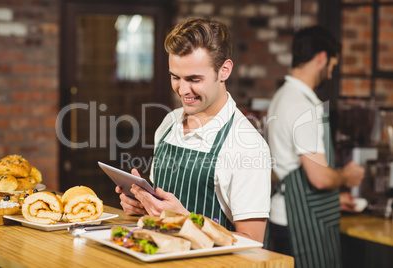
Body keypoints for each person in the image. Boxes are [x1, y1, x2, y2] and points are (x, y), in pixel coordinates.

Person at [115, 17, 271, 243]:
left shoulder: (247, 145)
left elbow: (253, 243)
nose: (183, 89)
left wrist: (187, 220)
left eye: (194, 79)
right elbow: (162, 215)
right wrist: (144, 207)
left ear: (224, 70)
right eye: (175, 77)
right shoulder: (169, 124)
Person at [265, 25, 365, 268]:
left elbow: (289, 168)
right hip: (299, 223)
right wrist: (346, 177)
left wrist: (332, 199)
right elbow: (318, 177)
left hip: (283, 214)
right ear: (322, 58)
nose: (330, 75)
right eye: (332, 66)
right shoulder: (303, 106)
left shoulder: (283, 96)